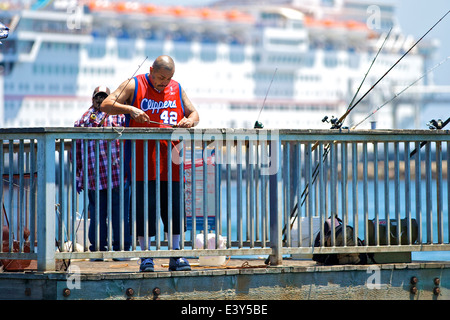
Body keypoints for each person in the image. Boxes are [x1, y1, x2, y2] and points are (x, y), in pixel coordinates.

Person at [100, 55, 200, 272]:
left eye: (168, 78)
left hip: (172, 159)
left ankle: (176, 255)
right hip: (143, 161)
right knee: (145, 209)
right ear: (151, 69)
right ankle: (146, 257)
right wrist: (130, 109)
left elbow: (194, 112)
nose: (164, 82)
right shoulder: (135, 84)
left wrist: (189, 120)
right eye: (160, 77)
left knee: (174, 209)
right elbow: (106, 104)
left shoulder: (177, 88)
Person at [74, 85, 132, 260]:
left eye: (102, 97)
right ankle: (116, 249)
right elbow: (77, 149)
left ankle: (104, 250)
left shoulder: (83, 119)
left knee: (106, 213)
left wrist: (78, 176)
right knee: (114, 214)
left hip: (104, 176)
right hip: (110, 175)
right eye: (99, 97)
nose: (100, 100)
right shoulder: (118, 117)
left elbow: (77, 151)